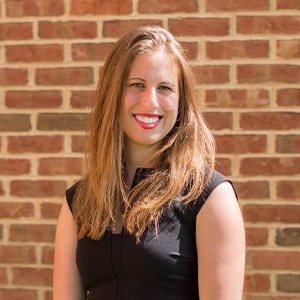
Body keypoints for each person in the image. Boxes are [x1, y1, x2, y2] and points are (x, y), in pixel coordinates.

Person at [53, 26, 245, 300]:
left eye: (165, 88)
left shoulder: (209, 198)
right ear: (113, 94)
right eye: (137, 85)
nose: (150, 101)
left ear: (181, 102)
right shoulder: (78, 202)